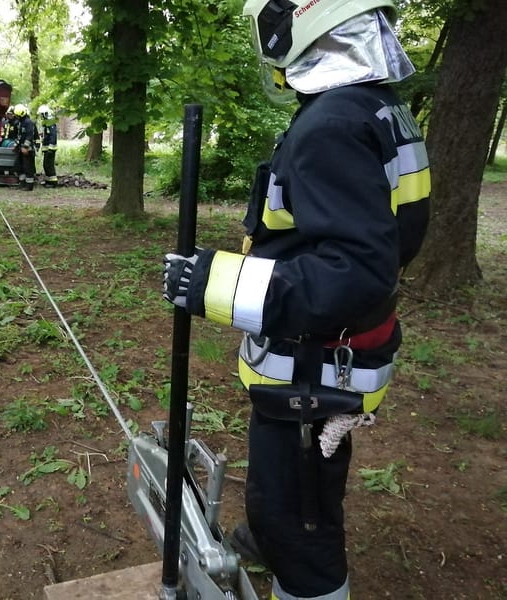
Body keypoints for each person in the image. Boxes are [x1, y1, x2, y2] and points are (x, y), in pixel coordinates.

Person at [162, 1, 430, 598]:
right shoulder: (378, 109)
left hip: (314, 368)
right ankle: (268, 535)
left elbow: (356, 270)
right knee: (294, 478)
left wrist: (215, 285)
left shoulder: (331, 124)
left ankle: (296, 564)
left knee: (300, 520)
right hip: (339, 351)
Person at [13, 104, 37, 191]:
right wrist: (16, 146)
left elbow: (29, 136)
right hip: (20, 149)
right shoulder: (20, 123)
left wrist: (25, 147)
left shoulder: (28, 122)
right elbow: (19, 136)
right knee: (18, 166)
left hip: (28, 150)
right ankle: (22, 183)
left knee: (28, 168)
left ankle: (29, 185)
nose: (16, 117)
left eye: (17, 115)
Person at [37, 104, 59, 187]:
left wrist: (50, 148)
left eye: (41, 114)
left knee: (49, 165)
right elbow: (48, 134)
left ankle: (53, 182)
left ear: (45, 113)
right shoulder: (47, 123)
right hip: (47, 149)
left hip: (50, 149)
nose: (41, 116)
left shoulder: (51, 122)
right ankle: (48, 181)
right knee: (45, 165)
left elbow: (53, 136)